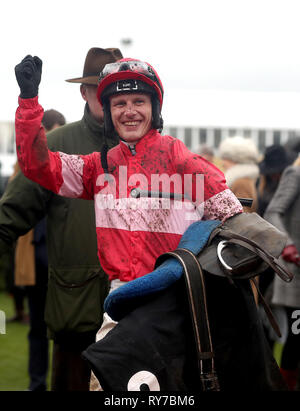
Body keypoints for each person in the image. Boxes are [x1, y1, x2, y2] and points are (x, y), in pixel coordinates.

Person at [0, 47, 122, 391]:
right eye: (99, 87)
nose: (108, 95)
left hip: (135, 318)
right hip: (75, 315)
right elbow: (8, 218)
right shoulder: (56, 145)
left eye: (116, 86)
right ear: (83, 92)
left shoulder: (148, 149)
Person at [12, 109, 66, 391]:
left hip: (64, 259)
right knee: (37, 330)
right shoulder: (23, 167)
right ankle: (36, 385)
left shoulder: (68, 163)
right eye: (53, 132)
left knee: (69, 332)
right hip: (37, 257)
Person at [264, 154, 300, 391]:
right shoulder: (295, 174)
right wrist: (287, 245)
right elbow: (273, 212)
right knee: (297, 341)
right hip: (296, 276)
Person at [218, 136, 259, 213]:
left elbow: (243, 214)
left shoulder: (242, 182)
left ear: (236, 159)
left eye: (225, 158)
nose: (222, 163)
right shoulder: (240, 180)